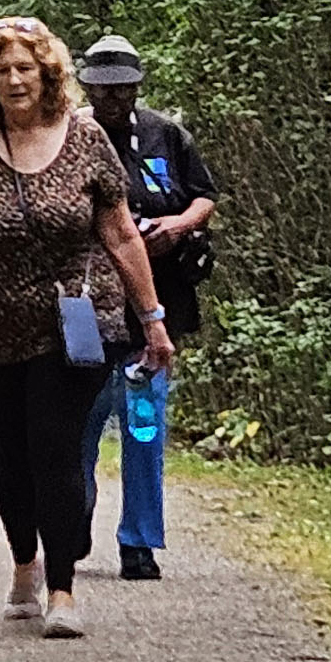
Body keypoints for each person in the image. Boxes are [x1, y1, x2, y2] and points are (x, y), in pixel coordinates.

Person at [0, 18, 174, 640]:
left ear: (48, 75)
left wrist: (153, 320)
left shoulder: (87, 142)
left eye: (25, 69)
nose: (14, 80)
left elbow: (119, 234)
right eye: (2, 70)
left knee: (56, 449)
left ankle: (63, 587)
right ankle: (24, 562)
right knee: (11, 461)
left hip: (77, 321)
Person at [76, 35, 219, 581]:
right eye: (103, 89)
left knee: (143, 425)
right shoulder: (70, 136)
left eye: (124, 88)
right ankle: (75, 511)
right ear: (87, 87)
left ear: (138, 85)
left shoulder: (165, 135)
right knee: (79, 423)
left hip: (155, 310)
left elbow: (204, 194)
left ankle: (139, 541)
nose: (114, 98)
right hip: (86, 312)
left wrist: (178, 225)